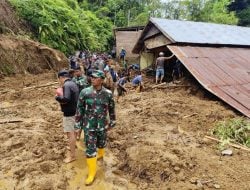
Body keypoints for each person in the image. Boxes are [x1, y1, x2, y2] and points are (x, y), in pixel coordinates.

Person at [75, 70, 116, 185]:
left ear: (102, 80)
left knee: (101, 144)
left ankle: (101, 156)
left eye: (95, 77)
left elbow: (112, 108)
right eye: (91, 77)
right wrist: (77, 126)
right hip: (89, 126)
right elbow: (79, 110)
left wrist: (112, 121)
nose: (92, 79)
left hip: (102, 126)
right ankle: (92, 173)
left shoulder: (107, 94)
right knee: (90, 150)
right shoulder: (85, 92)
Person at [55, 70, 79, 163]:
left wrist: (57, 97)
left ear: (61, 78)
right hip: (76, 111)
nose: (59, 81)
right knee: (74, 132)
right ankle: (73, 146)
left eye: (59, 79)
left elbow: (66, 99)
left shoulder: (66, 85)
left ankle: (72, 156)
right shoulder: (73, 83)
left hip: (69, 113)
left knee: (70, 134)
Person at [72, 65, 89, 140]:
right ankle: (77, 134)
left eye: (77, 71)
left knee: (85, 118)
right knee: (77, 118)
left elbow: (79, 84)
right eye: (75, 71)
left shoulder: (84, 78)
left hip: (85, 101)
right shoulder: (74, 78)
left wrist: (73, 82)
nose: (76, 73)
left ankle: (84, 134)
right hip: (76, 101)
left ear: (81, 71)